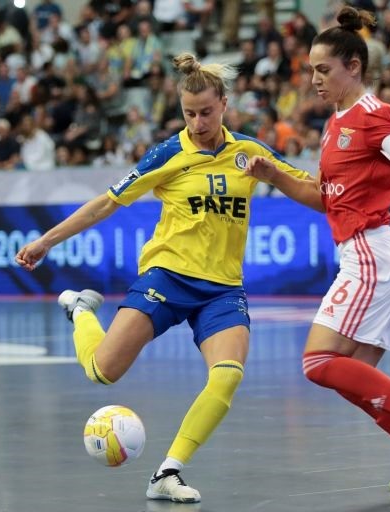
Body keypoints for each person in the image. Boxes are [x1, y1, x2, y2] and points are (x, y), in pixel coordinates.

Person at [15, 52, 310, 503]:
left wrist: (273, 173)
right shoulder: (169, 153)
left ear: (225, 104)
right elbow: (105, 203)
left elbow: (314, 193)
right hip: (167, 277)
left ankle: (167, 473)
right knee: (102, 372)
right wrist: (46, 241)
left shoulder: (249, 152)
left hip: (223, 289)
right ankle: (79, 310)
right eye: (188, 113)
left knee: (227, 375)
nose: (197, 122)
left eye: (206, 112)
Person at [244, 7, 390, 492]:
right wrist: (275, 174)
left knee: (318, 363)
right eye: (311, 71)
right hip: (373, 255)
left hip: (371, 253)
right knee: (354, 379)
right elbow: (322, 198)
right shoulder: (332, 126)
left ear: (354, 66)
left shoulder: (372, 115)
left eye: (324, 70)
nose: (315, 80)